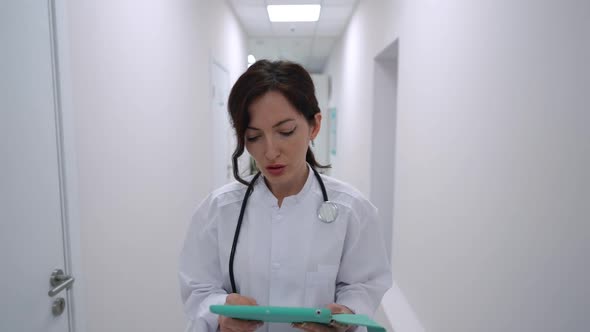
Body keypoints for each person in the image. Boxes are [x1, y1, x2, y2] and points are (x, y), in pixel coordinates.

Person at [179, 60, 391, 332]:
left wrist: (347, 311)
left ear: (314, 126)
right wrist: (221, 309)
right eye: (254, 137)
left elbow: (364, 284)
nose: (270, 152)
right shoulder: (217, 210)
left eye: (285, 131)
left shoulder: (353, 210)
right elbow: (198, 288)